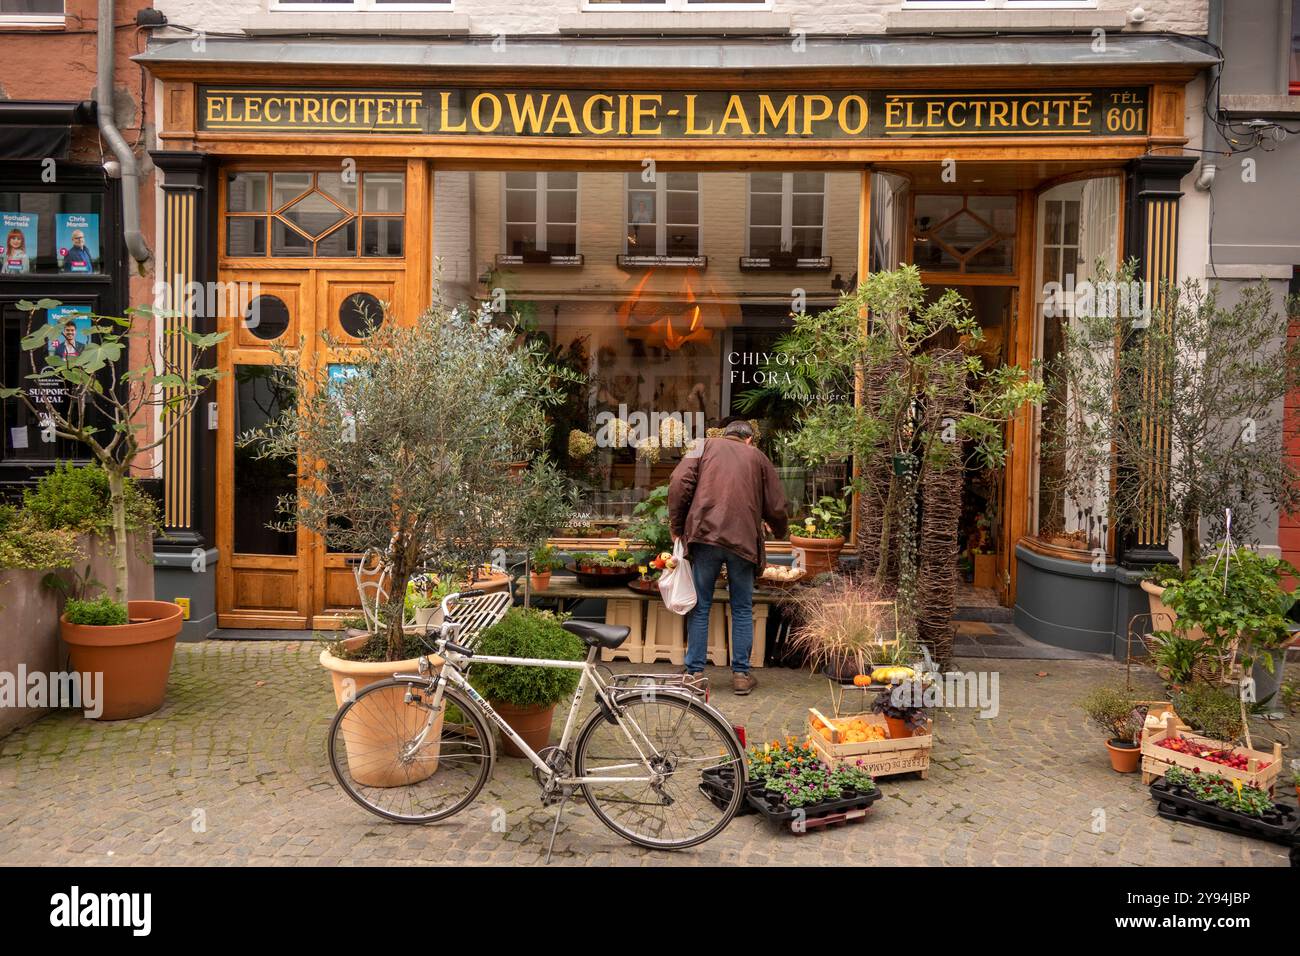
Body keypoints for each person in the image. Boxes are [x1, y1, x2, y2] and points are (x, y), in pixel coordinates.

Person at [668, 418, 789, 695]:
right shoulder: (757, 457)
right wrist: (780, 529)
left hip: (706, 536)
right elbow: (776, 503)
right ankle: (741, 676)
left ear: (725, 435)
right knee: (742, 608)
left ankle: (695, 674)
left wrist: (677, 527)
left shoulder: (702, 445)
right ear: (749, 439)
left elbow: (678, 482)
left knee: (700, 605)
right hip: (743, 541)